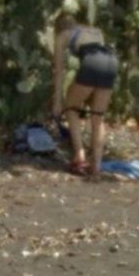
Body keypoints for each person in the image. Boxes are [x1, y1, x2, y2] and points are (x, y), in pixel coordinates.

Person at [51, 12, 118, 176]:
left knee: (71, 107)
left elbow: (59, 71)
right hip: (111, 61)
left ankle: (79, 155)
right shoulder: (95, 30)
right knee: (97, 117)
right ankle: (96, 166)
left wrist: (57, 101)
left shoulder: (62, 35)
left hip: (91, 63)